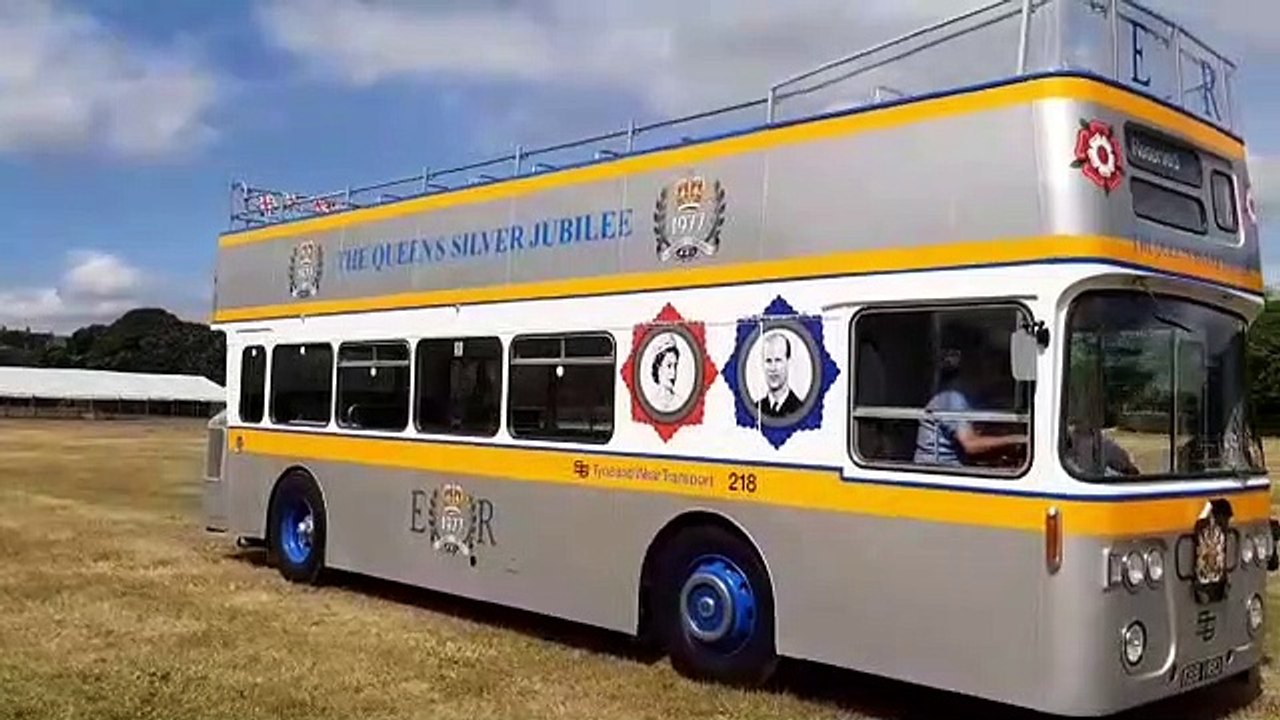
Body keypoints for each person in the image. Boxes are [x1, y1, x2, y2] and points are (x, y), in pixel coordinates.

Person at [915, 347, 1026, 466]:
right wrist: (1016, 439)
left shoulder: (975, 395)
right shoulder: (955, 396)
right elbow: (971, 445)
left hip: (961, 463)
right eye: (996, 369)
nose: (1001, 378)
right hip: (942, 467)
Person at [758, 331, 803, 418]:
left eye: (778, 360)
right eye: (768, 361)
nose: (773, 368)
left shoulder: (800, 410)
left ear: (788, 362)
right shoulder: (756, 410)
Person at [648, 335, 683, 413]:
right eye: (669, 366)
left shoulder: (680, 402)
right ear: (658, 367)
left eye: (675, 366)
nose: (673, 373)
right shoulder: (651, 403)